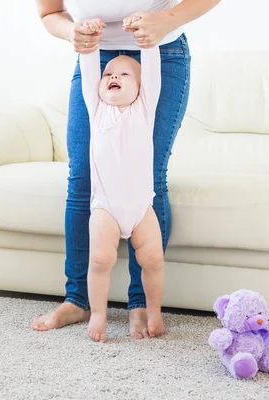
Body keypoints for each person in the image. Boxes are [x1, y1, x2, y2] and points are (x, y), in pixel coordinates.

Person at [32, 0, 221, 339]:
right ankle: (77, 300)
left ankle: (141, 304)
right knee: (81, 179)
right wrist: (71, 33)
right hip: (96, 55)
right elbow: (50, 13)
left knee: (151, 176)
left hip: (161, 50)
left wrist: (166, 21)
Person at [80, 16, 163, 342]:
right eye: (109, 74)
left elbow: (152, 71)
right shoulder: (96, 108)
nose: (113, 76)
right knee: (100, 259)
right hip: (106, 207)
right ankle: (98, 313)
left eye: (124, 74)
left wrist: (148, 40)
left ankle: (154, 311)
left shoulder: (145, 108)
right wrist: (90, 39)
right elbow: (89, 71)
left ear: (140, 87)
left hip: (142, 206)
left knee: (153, 259)